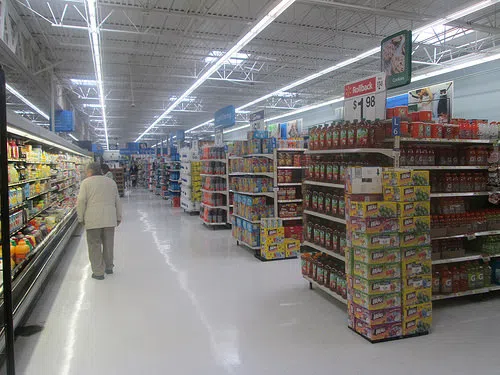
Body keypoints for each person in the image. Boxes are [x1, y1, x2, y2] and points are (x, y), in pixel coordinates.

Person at [77, 163, 122, 280]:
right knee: (108, 243)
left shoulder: (86, 183)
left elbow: (81, 201)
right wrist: (118, 216)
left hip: (93, 219)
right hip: (109, 218)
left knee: (94, 244)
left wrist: (80, 217)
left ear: (90, 171)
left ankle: (98, 272)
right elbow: (117, 200)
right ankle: (109, 267)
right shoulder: (111, 182)